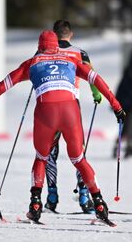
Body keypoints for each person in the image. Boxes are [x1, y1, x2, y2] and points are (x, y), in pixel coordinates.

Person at [0, 31, 125, 224]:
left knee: (42, 157)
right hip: (70, 111)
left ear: (40, 46)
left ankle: (35, 204)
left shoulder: (32, 63)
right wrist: (117, 106)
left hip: (45, 111)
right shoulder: (71, 60)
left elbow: (2, 86)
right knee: (78, 158)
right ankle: (99, 202)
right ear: (56, 46)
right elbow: (97, 80)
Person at [44, 20, 103, 213]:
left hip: (49, 106)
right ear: (71, 34)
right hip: (71, 106)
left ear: (53, 34)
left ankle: (51, 196)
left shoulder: (45, 51)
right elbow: (92, 75)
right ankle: (85, 197)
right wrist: (96, 94)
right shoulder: (80, 52)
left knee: (49, 151)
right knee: (79, 152)